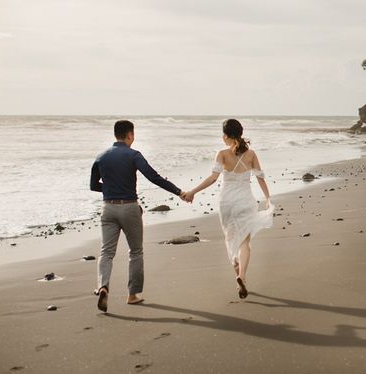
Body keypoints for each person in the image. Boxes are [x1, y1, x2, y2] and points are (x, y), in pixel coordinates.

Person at [90, 120, 188, 312]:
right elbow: (153, 177)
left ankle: (103, 286)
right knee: (135, 251)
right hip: (129, 208)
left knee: (106, 252)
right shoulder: (133, 155)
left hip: (108, 209)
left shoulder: (101, 157)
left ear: (115, 135)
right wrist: (178, 192)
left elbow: (93, 186)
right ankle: (132, 295)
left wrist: (110, 189)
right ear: (130, 135)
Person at [183, 119, 273, 299]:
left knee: (230, 238)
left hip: (227, 202)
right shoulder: (251, 154)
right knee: (245, 243)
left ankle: (237, 274)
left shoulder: (222, 154)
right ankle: (243, 277)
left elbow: (213, 178)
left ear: (226, 135)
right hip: (246, 201)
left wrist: (192, 191)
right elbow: (260, 177)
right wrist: (268, 198)